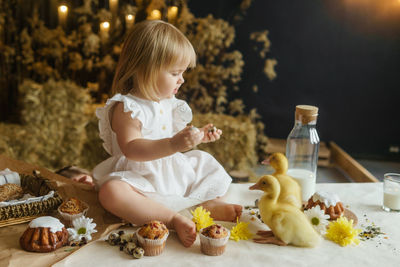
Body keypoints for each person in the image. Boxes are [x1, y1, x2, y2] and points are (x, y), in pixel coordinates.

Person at [93, 20, 242, 248]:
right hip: (141, 181)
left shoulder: (169, 103)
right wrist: (173, 144)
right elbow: (131, 148)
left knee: (205, 164)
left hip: (174, 174)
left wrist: (197, 136)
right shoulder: (127, 107)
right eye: (175, 73)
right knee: (110, 192)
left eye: (182, 72)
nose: (181, 79)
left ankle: (206, 206)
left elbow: (175, 138)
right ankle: (172, 218)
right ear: (146, 70)